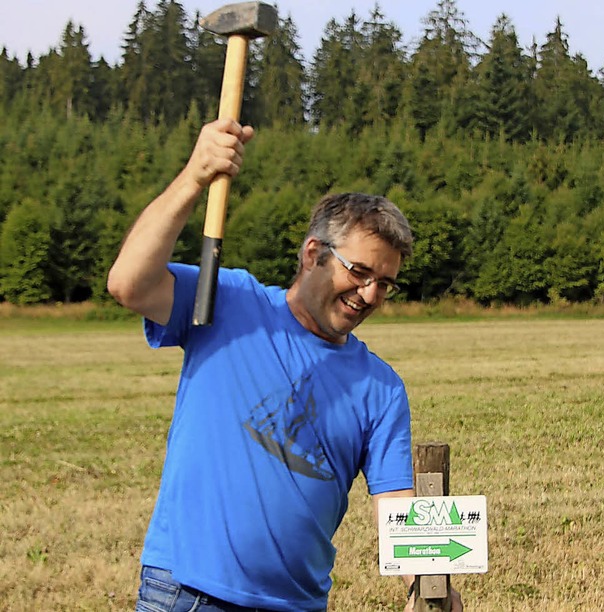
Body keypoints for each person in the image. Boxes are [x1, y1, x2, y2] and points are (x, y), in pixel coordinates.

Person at [108, 119, 463, 612]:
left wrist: (428, 581)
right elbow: (129, 284)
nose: (369, 295)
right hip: (188, 593)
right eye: (359, 272)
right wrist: (195, 177)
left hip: (297, 604)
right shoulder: (229, 303)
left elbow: (395, 508)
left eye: (385, 283)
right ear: (313, 253)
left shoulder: (381, 388)